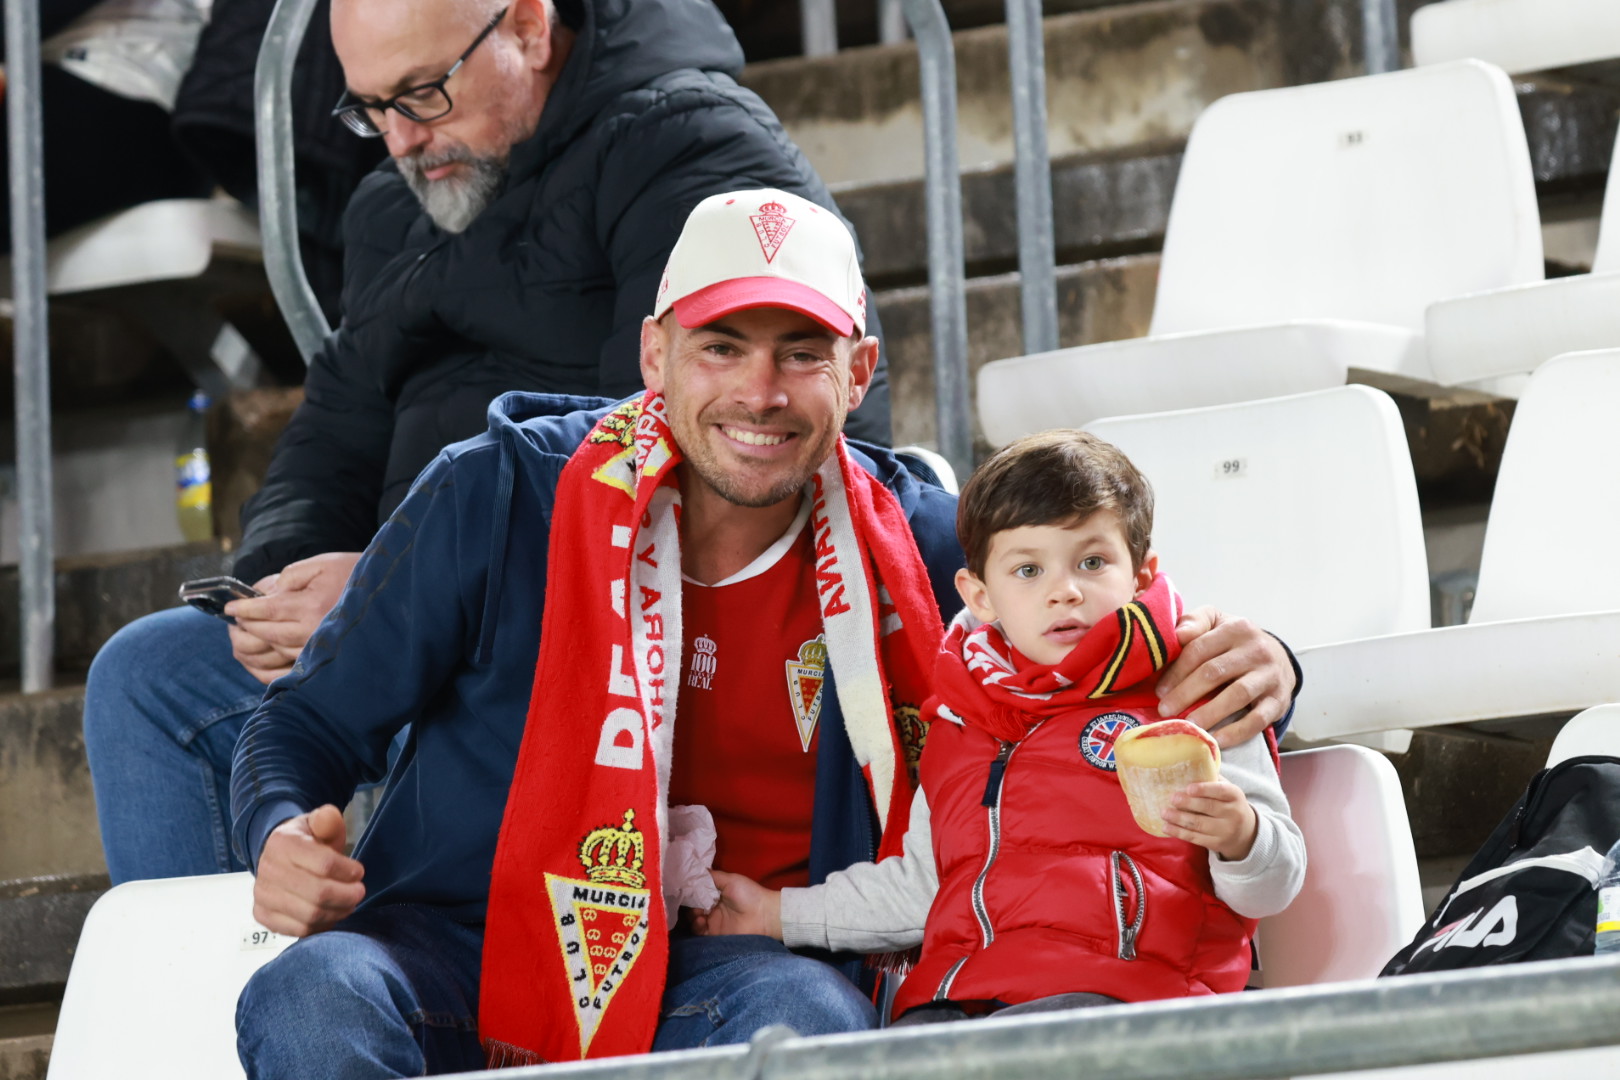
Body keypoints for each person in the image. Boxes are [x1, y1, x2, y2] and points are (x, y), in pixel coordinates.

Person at [225, 190, 1300, 1076]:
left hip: (732, 967)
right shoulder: (501, 493)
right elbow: (305, 726)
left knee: (813, 1028)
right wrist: (278, 832)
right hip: (468, 944)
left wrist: (1276, 669)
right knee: (312, 998)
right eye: (722, 346)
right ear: (655, 354)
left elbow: (1101, 634)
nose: (760, 391)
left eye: (801, 352)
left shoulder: (924, 544)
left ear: (858, 373)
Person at [81, 0, 895, 886]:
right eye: (370, 108)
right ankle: (260, 962)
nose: (399, 139)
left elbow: (725, 453)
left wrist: (404, 587)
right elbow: (332, 433)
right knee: (148, 677)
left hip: (599, 629)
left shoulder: (690, 149)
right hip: (415, 612)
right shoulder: (391, 204)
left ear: (531, 28)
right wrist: (277, 588)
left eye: (422, 92)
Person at [692, 429, 1307, 1023]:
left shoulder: (1197, 688)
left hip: (1127, 1000)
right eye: (1028, 570)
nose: (1065, 591)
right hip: (955, 1004)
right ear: (979, 595)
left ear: (1141, 575)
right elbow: (919, 888)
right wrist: (775, 914)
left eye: (1092, 562)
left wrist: (1243, 838)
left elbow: (1273, 886)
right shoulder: (958, 718)